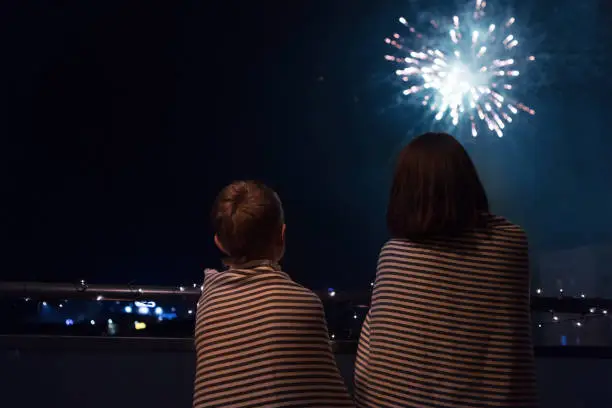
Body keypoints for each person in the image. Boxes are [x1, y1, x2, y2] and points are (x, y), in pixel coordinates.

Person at [354, 132, 537, 407]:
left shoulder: (394, 254)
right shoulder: (511, 244)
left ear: (404, 191)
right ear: (468, 182)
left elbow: (377, 346)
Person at [193, 181, 354, 408]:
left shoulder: (208, 302)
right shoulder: (303, 303)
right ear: (282, 235)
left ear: (219, 243)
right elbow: (330, 398)